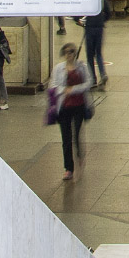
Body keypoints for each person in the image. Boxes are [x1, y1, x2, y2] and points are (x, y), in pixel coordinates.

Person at [49, 42, 92, 181]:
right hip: (64, 107)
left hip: (79, 105)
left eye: (72, 51)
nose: (70, 54)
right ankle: (68, 168)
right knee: (66, 138)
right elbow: (53, 86)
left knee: (77, 133)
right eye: (67, 52)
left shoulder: (82, 67)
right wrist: (64, 90)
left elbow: (89, 83)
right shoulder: (58, 69)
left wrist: (73, 89)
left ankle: (79, 153)